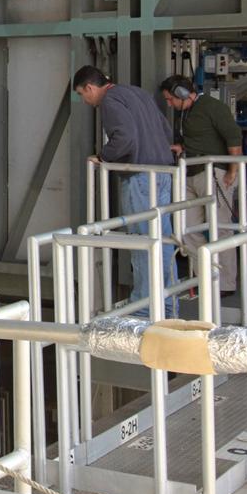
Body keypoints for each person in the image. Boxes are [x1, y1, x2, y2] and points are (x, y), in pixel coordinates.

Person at [73, 65, 178, 318]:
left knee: (141, 241)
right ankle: (167, 305)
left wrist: (103, 157)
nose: (85, 101)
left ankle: (143, 308)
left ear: (90, 87)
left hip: (140, 176)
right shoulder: (138, 94)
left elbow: (125, 138)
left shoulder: (109, 101)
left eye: (82, 94)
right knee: (163, 240)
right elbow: (165, 131)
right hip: (163, 173)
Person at [159, 74, 244, 296]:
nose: (169, 104)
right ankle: (203, 277)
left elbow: (233, 137)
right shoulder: (186, 113)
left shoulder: (212, 107)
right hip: (190, 173)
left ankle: (225, 283)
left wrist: (232, 170)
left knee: (220, 228)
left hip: (214, 173)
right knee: (187, 230)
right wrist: (182, 147)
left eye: (170, 99)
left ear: (182, 94)